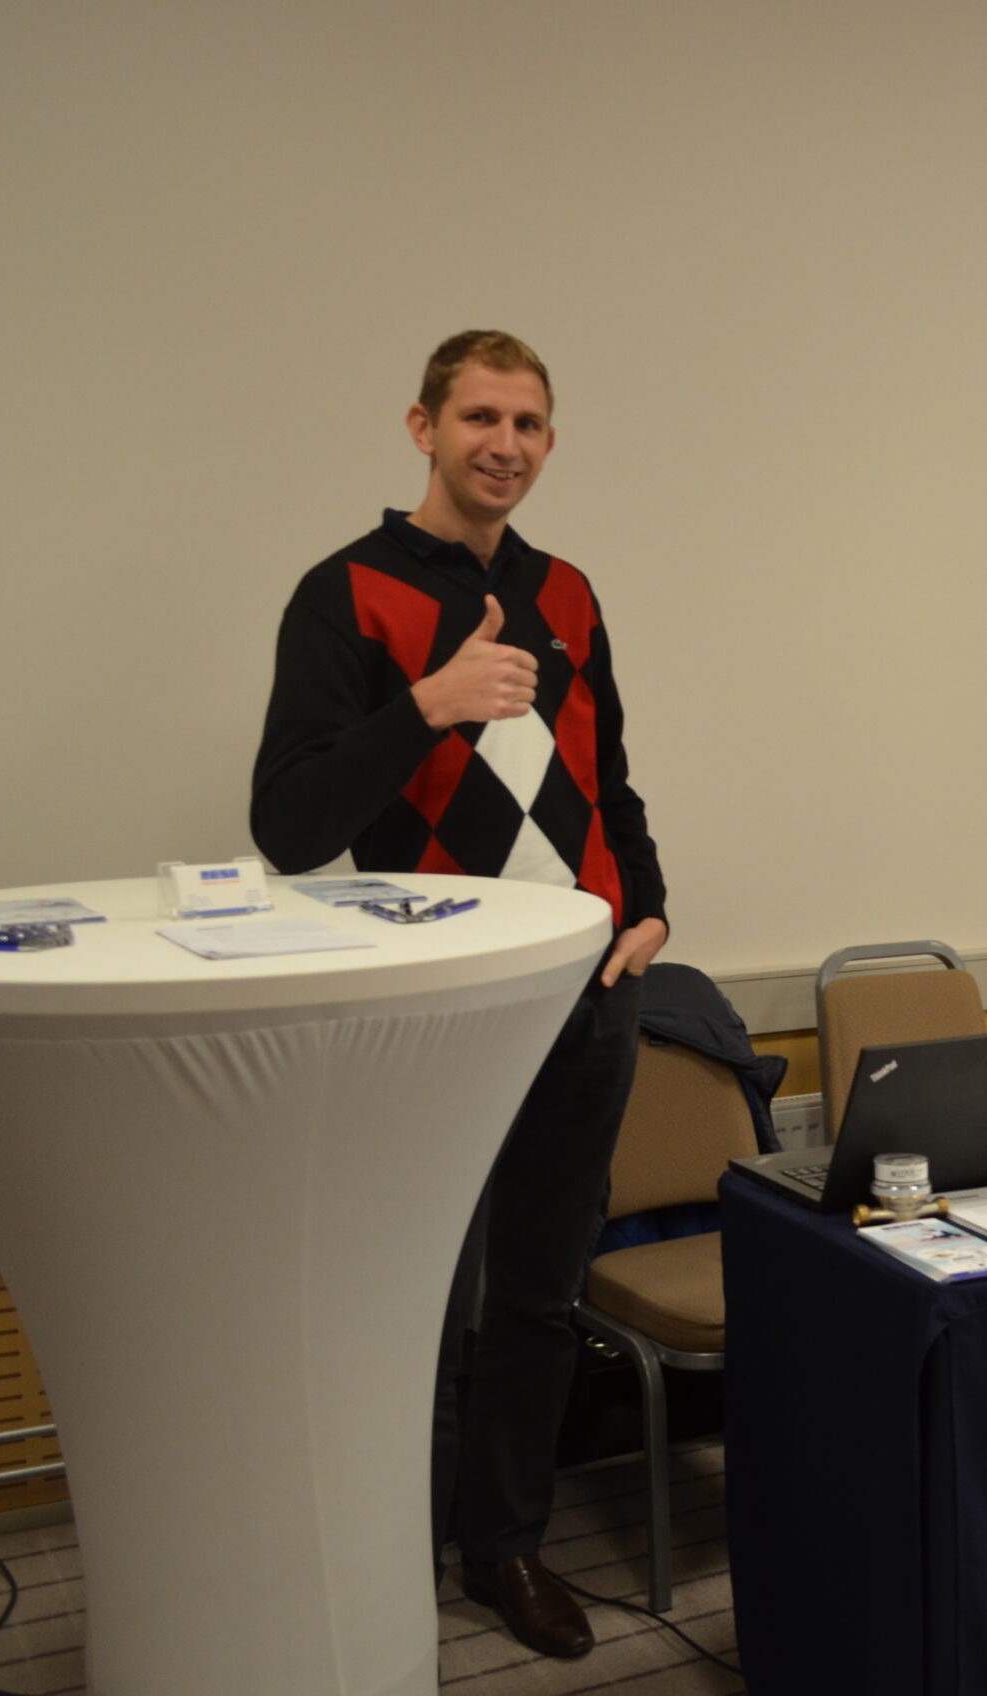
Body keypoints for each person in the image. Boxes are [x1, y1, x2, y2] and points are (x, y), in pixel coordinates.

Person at [250, 329, 668, 1662]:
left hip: (583, 1000)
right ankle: (387, 1555)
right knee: (414, 1303)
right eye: (480, 417)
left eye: (528, 423)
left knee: (538, 1293)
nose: (505, 444)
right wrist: (427, 701)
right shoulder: (347, 592)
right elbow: (289, 823)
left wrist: (651, 906)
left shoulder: (569, 591)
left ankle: (506, 1547)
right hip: (431, 1017)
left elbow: (606, 779)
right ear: (421, 427)